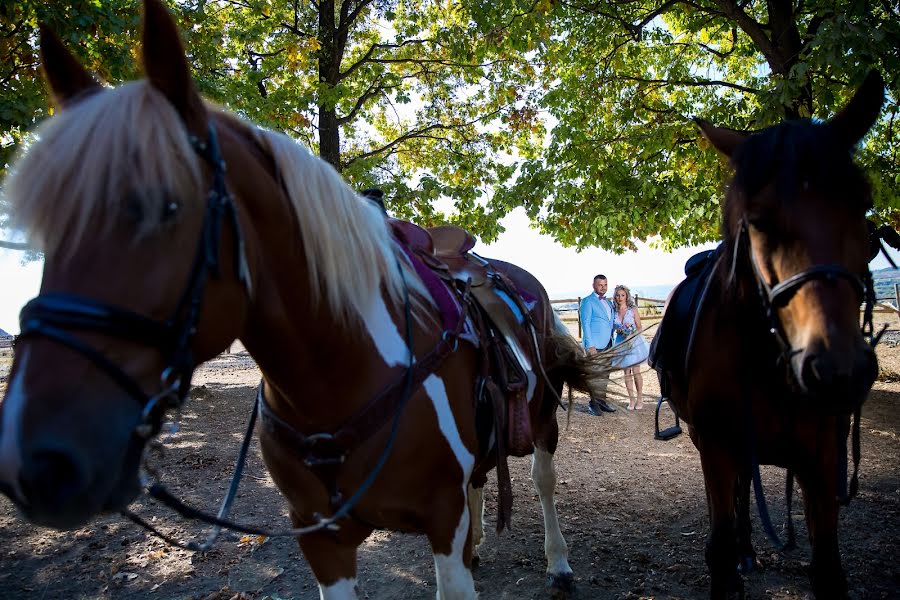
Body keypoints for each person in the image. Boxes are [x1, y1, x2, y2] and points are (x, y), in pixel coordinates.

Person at [579, 274, 616, 415]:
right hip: (595, 345)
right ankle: (593, 404)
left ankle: (602, 402)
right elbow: (585, 324)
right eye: (600, 284)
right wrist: (590, 346)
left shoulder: (608, 302)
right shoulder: (587, 301)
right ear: (593, 285)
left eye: (605, 284)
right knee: (595, 375)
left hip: (608, 343)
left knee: (605, 375)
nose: (603, 287)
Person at [612, 284, 650, 410]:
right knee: (626, 372)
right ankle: (631, 400)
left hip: (634, 342)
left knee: (636, 371)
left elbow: (639, 327)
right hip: (621, 342)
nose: (620, 297)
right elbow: (614, 327)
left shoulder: (632, 310)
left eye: (622, 295)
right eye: (617, 295)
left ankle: (639, 398)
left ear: (627, 296)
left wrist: (631, 336)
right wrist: (621, 332)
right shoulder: (614, 311)